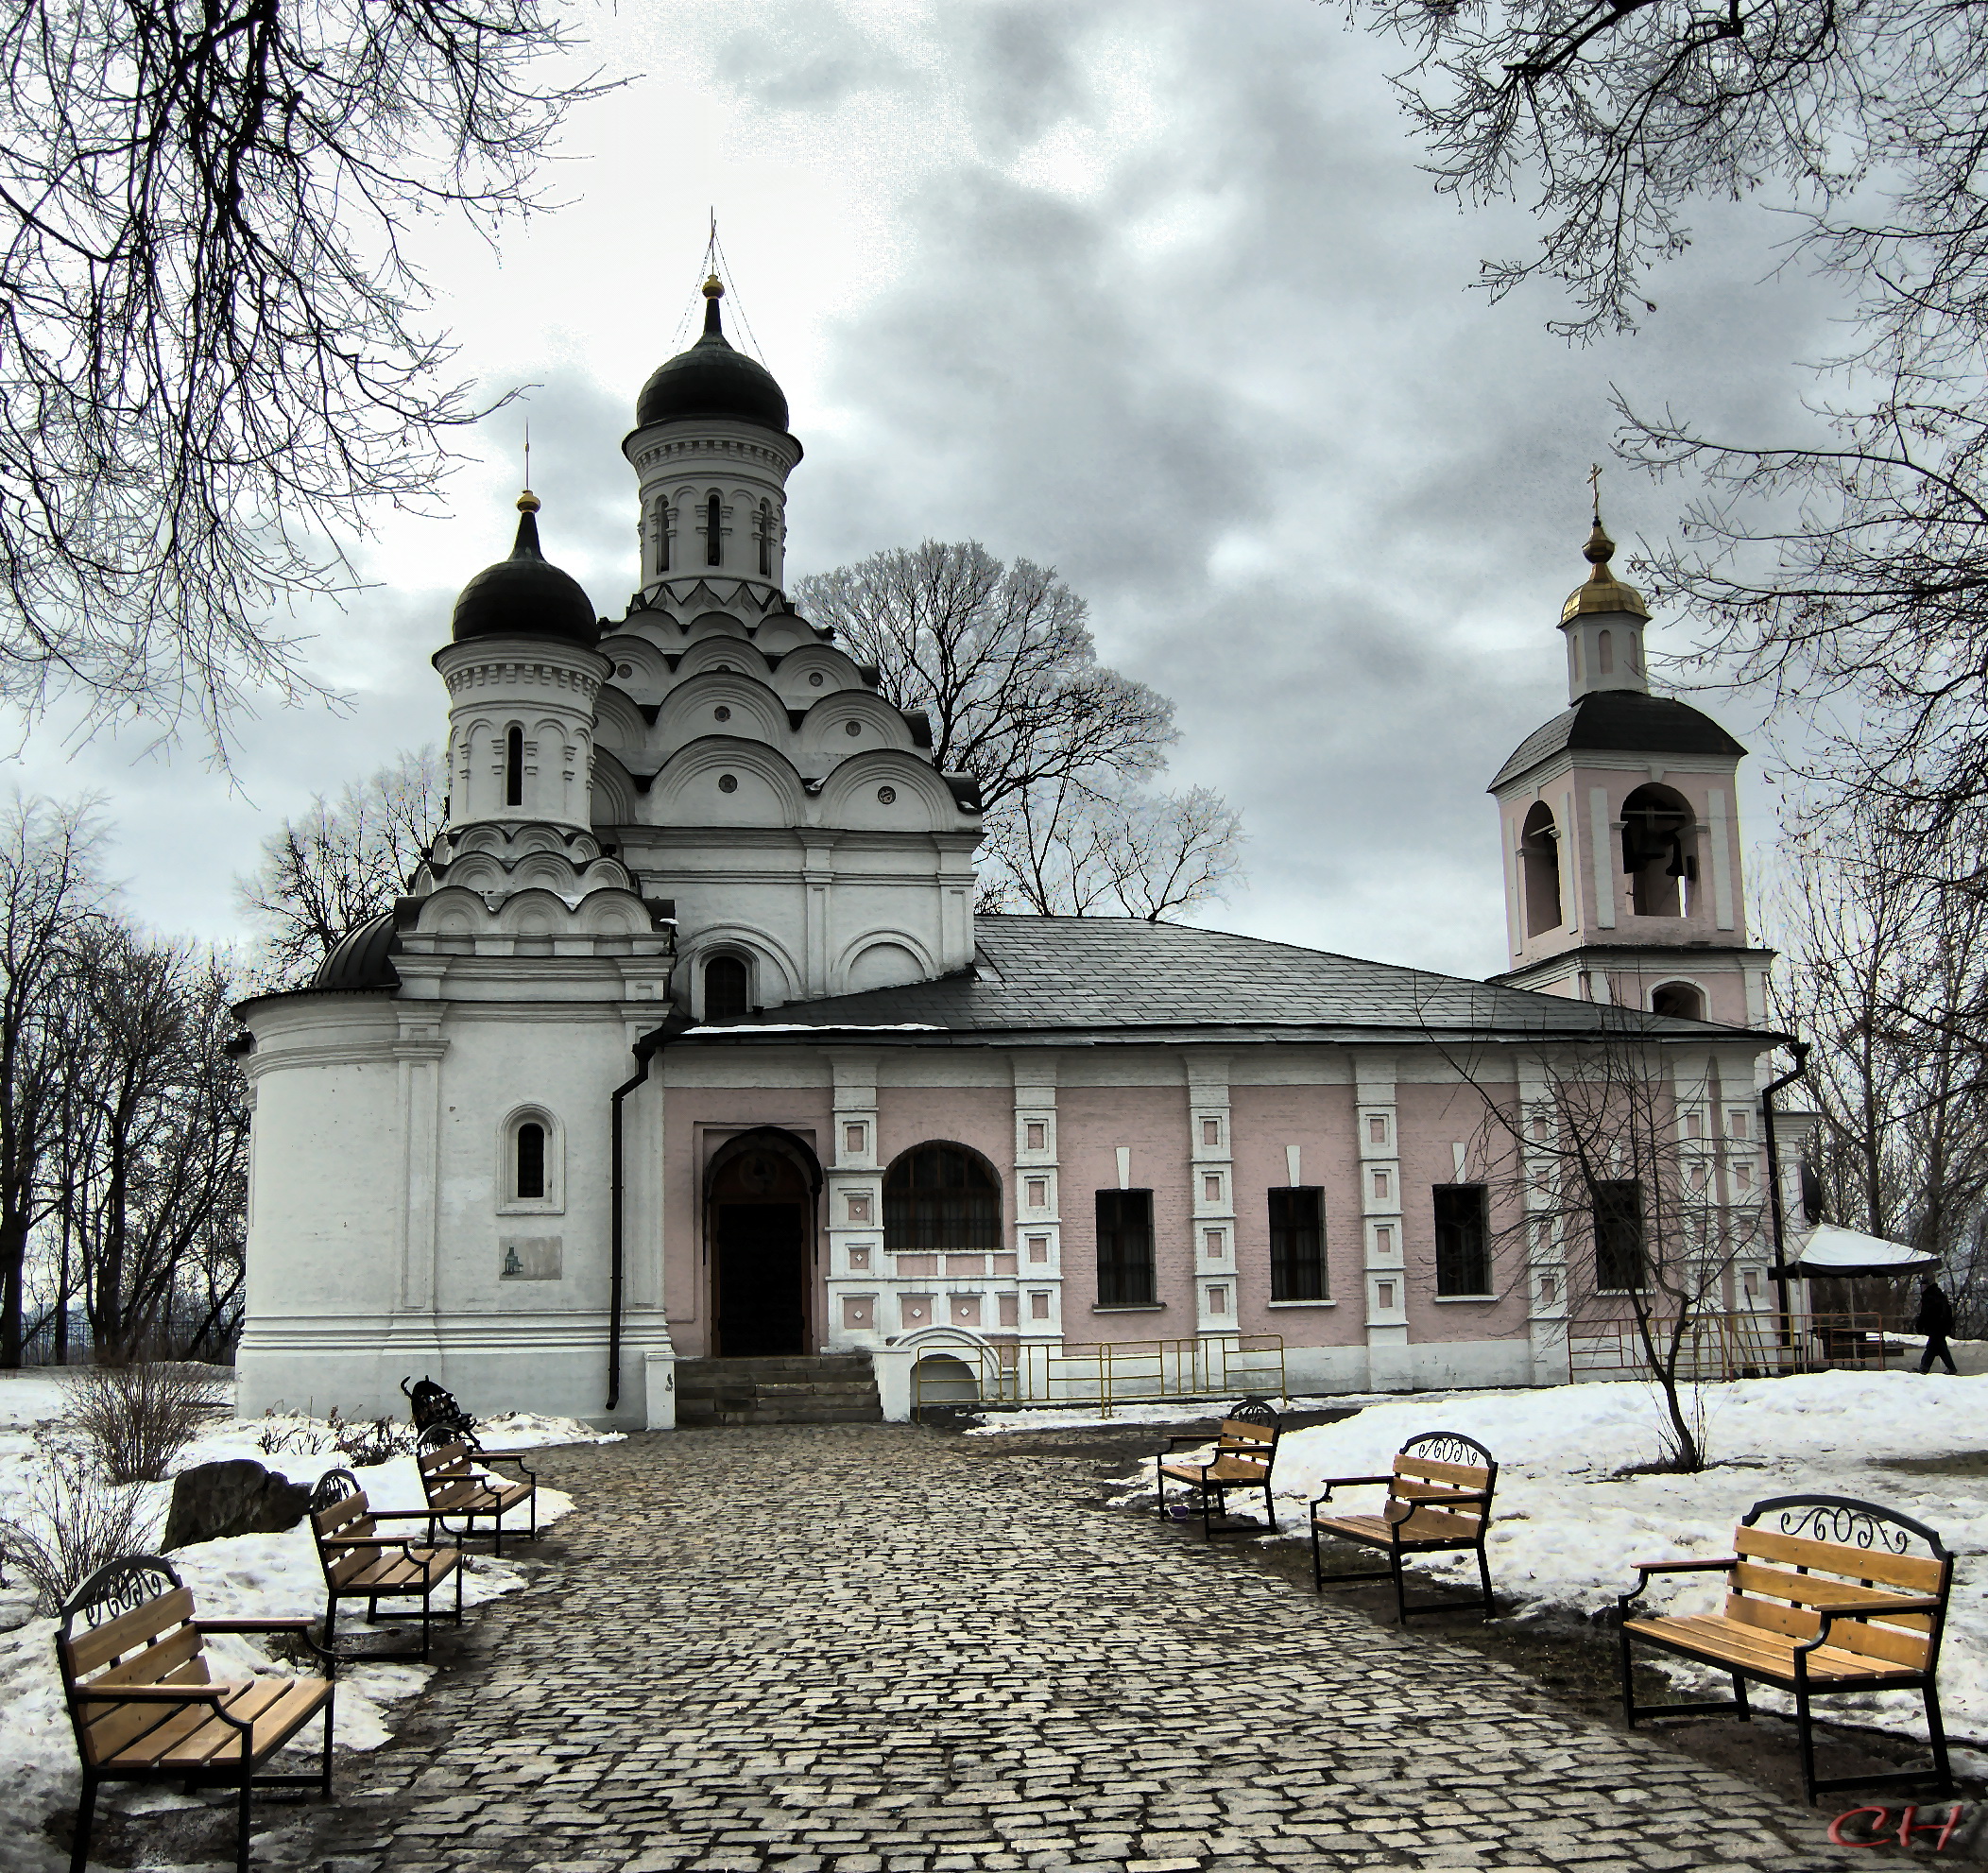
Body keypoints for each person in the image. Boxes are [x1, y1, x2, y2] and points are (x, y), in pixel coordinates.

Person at [1914, 1275, 1958, 1375]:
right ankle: (1926, 1367)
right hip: (1941, 1326)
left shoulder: (1929, 1296)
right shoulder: (1937, 1294)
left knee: (1934, 1347)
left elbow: (1926, 1313)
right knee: (1937, 1347)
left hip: (1936, 1326)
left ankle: (1925, 1368)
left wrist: (1920, 1325)